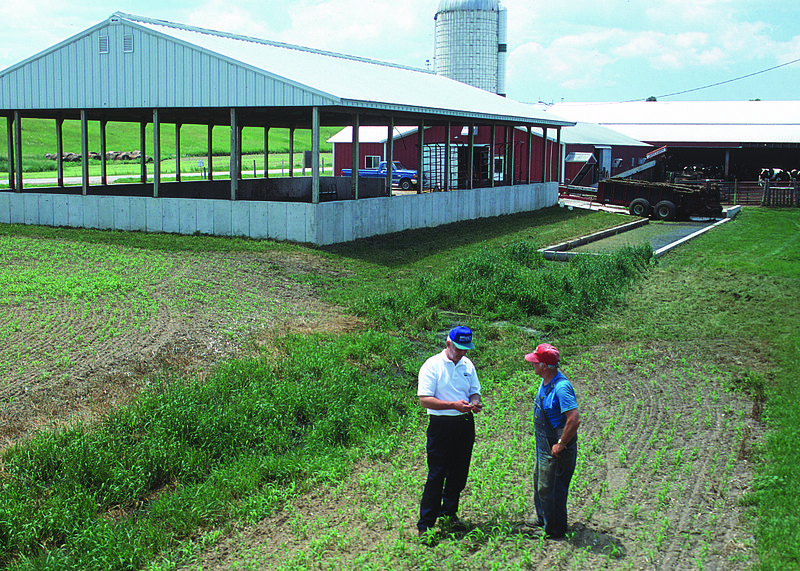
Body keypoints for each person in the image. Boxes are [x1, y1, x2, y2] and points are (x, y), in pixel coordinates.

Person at [417, 326, 483, 540]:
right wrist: (453, 405)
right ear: (448, 344)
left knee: (459, 472)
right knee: (436, 475)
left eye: (466, 349)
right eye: (459, 348)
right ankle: (425, 524)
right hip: (441, 425)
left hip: (464, 423)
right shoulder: (432, 366)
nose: (462, 353)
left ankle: (449, 514)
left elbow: (474, 390)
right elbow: (425, 399)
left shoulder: (467, 364)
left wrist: (475, 402)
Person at [525, 343, 580, 539]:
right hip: (544, 443)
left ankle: (555, 529)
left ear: (545, 366)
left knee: (554, 487)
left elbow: (574, 419)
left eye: (536, 362)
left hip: (556, 445)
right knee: (541, 481)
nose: (533, 365)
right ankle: (543, 519)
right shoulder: (546, 380)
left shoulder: (561, 388)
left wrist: (561, 443)